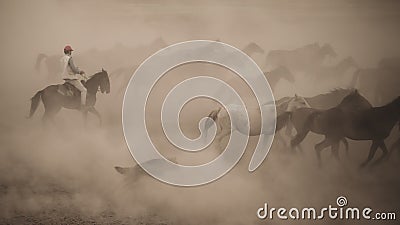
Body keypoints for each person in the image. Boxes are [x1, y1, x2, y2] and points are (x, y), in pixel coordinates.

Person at [60, 45, 88, 110]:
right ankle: (82, 106)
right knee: (84, 90)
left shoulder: (61, 59)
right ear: (69, 51)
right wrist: (80, 71)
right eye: (70, 51)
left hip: (65, 79)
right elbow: (74, 69)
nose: (71, 52)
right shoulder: (70, 58)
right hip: (72, 79)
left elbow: (66, 68)